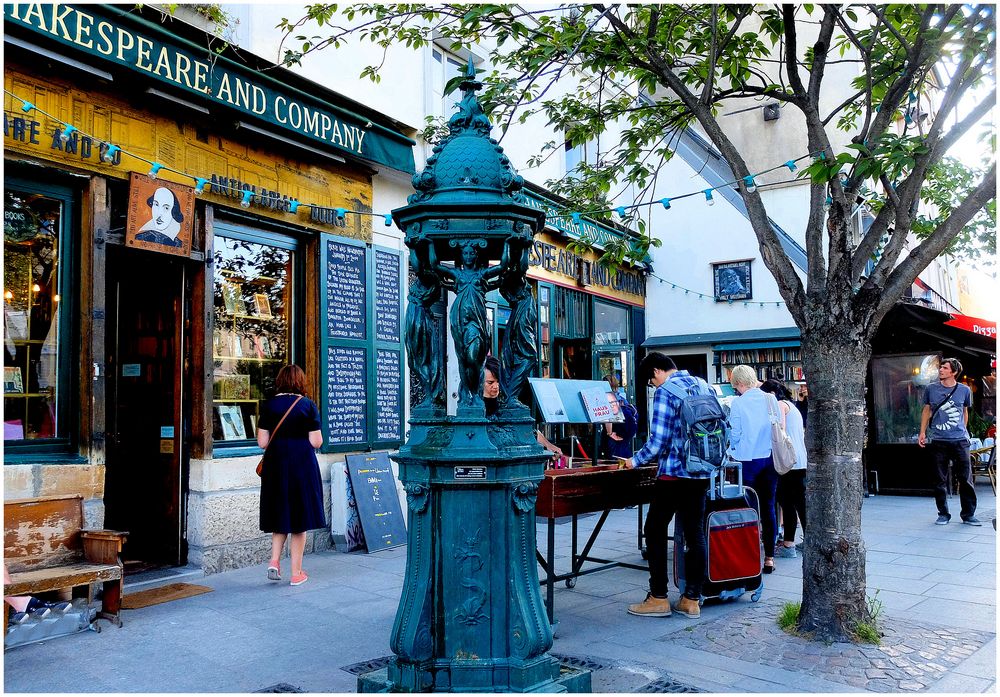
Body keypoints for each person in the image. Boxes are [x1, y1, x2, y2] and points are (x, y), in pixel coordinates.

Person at [623, 352, 712, 619]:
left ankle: (658, 598)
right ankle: (691, 599)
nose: (653, 386)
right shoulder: (702, 384)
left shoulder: (666, 392)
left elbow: (658, 440)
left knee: (654, 529)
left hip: (673, 474)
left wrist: (634, 461)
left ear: (657, 372)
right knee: (695, 534)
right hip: (702, 471)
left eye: (651, 381)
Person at [257, 365, 326, 586]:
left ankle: (274, 561)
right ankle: (296, 573)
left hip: (276, 465)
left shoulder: (269, 405)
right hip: (301, 465)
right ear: (300, 382)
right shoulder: (307, 405)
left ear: (280, 381)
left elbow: (262, 443)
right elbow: (316, 442)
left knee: (280, 514)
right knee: (299, 518)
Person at [728, 364, 779, 573]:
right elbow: (778, 427)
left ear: (739, 383)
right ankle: (769, 557)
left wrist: (731, 449)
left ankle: (749, 553)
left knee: (747, 508)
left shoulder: (738, 404)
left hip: (747, 460)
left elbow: (735, 434)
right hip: (769, 458)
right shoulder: (770, 398)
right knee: (768, 507)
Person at [918, 357, 980, 526]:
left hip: (960, 441)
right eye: (941, 367)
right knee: (939, 479)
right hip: (939, 440)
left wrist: (964, 431)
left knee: (965, 479)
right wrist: (922, 432)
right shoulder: (931, 389)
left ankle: (968, 515)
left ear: (953, 372)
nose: (941, 370)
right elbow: (926, 411)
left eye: (944, 368)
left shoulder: (964, 390)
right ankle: (943, 513)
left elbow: (964, 412)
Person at [482, 355, 563, 461]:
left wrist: (548, 445)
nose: (496, 386)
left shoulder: (505, 402)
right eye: (490, 382)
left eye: (499, 382)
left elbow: (522, 428)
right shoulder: (475, 407)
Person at [760, 379, 807, 558]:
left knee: (788, 503)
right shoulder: (791, 405)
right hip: (798, 460)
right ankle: (800, 541)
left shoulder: (779, 405)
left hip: (788, 462)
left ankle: (789, 545)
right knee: (798, 502)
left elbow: (779, 431)